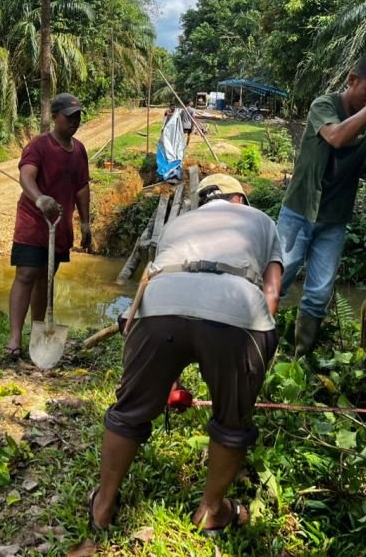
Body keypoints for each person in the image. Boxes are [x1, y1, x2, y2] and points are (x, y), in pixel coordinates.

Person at [89, 174, 283, 534]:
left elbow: (155, 285)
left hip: (161, 304)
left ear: (202, 202)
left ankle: (102, 505)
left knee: (128, 413)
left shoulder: (178, 224)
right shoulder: (262, 221)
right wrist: (252, 361)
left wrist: (168, 380)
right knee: (231, 422)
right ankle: (212, 511)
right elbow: (271, 294)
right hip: (237, 309)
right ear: (239, 200)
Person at [278, 49, 366, 356]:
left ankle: (299, 360)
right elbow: (338, 137)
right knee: (277, 282)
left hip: (334, 219)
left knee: (318, 294)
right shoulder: (324, 105)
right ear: (352, 80)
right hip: (299, 212)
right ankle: (254, 346)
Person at [6, 93, 91, 359]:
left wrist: (86, 223)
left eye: (77, 117)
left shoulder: (78, 150)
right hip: (34, 222)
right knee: (26, 275)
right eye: (69, 117)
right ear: (55, 117)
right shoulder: (38, 146)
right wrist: (40, 198)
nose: (74, 122)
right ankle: (14, 338)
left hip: (59, 226)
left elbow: (81, 187)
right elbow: (26, 176)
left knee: (46, 279)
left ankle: (38, 333)